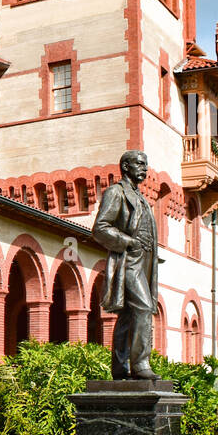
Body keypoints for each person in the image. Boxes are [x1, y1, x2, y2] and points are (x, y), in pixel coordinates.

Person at [93, 150, 161, 380]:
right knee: (143, 308)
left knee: (129, 315)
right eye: (140, 164)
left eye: (146, 164)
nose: (145, 169)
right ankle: (140, 363)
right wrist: (128, 242)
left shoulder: (141, 197)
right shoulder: (116, 192)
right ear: (125, 167)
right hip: (129, 260)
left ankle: (120, 366)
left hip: (146, 261)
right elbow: (100, 228)